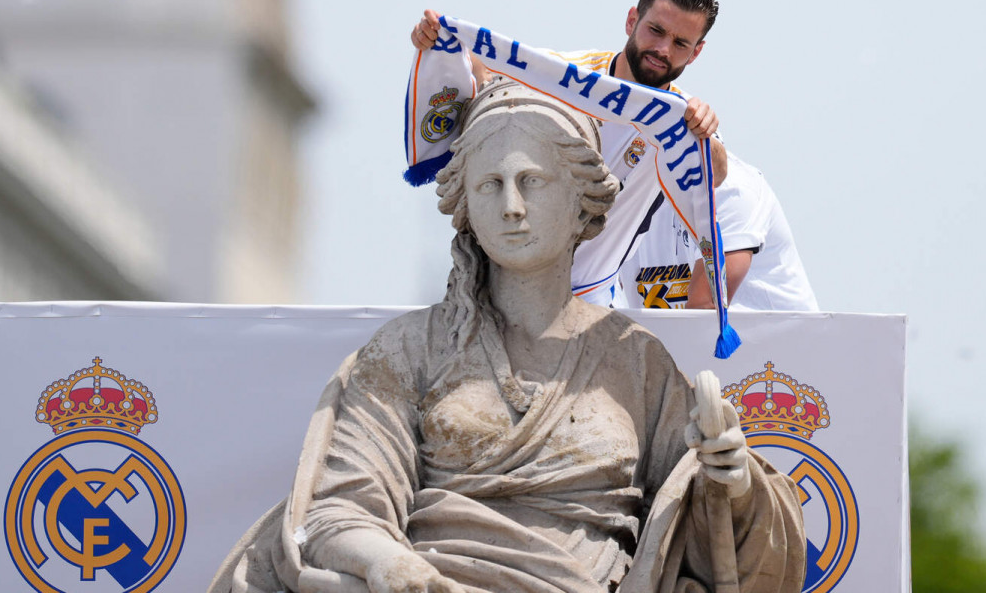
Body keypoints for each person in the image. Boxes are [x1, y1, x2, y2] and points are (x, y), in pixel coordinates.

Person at [210, 80, 805, 593]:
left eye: (532, 181)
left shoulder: (637, 362)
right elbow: (339, 509)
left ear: (582, 202)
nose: (512, 206)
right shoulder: (409, 350)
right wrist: (388, 562)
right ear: (464, 202)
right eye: (490, 184)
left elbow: (713, 537)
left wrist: (734, 481)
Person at [410, 0, 726, 307]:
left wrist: (706, 133)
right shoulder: (568, 75)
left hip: (593, 300)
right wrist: (435, 39)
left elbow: (716, 174)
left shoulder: (680, 118)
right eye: (656, 30)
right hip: (502, 292)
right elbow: (482, 63)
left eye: (680, 43)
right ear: (632, 20)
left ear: (696, 53)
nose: (662, 49)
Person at [619, 152, 819, 311]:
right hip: (682, 351)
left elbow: (705, 308)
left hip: (779, 354)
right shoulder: (619, 191)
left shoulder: (733, 190)